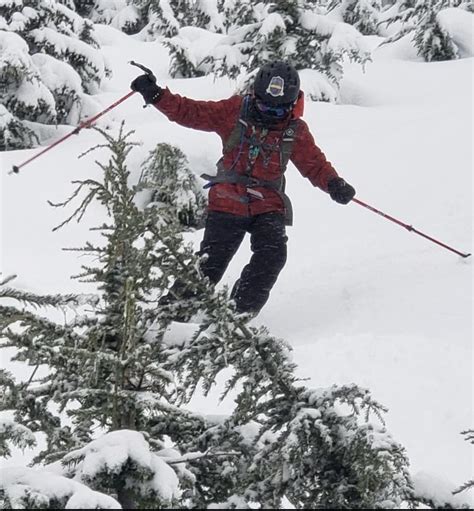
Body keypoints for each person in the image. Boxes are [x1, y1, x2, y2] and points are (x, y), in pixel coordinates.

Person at [130, 61, 356, 317]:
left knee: (272, 256)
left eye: (279, 110)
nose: (270, 112)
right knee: (210, 264)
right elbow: (191, 112)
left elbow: (314, 164)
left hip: (268, 204)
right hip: (228, 199)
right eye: (264, 105)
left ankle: (237, 315)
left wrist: (334, 183)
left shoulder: (295, 131)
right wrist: (157, 96)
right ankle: (169, 316)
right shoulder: (235, 111)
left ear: (292, 105)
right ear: (256, 95)